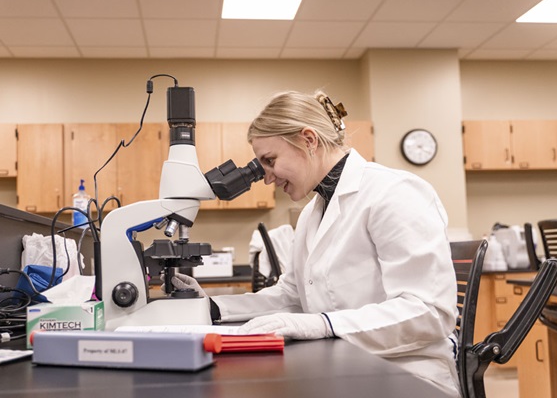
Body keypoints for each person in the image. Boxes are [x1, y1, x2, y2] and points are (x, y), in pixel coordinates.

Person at [172, 90, 459, 397]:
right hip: (345, 365)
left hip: (407, 373)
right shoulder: (313, 211)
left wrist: (323, 325)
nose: (267, 178)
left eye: (270, 161)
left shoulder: (394, 193)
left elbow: (429, 312)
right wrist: (212, 308)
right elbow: (292, 295)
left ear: (309, 140)